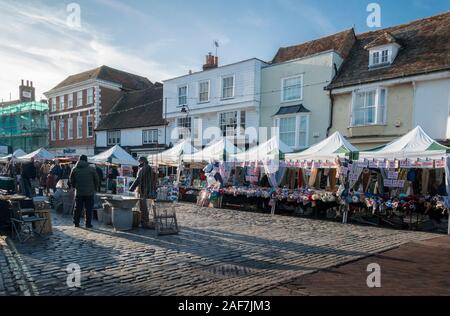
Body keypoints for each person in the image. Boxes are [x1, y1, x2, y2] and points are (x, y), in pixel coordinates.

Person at [69, 155, 99, 228]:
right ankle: (88, 224)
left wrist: (74, 186)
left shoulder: (74, 169)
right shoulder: (91, 169)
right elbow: (97, 180)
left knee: (78, 208)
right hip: (89, 192)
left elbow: (71, 179)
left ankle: (76, 223)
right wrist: (95, 188)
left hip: (79, 192)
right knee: (88, 209)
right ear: (86, 160)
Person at [129, 157, 153, 228]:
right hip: (143, 189)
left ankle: (144, 221)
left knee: (143, 206)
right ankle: (143, 220)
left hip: (143, 189)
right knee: (142, 205)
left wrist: (131, 188)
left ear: (143, 161)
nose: (139, 163)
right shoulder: (145, 167)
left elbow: (138, 178)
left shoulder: (145, 168)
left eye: (140, 161)